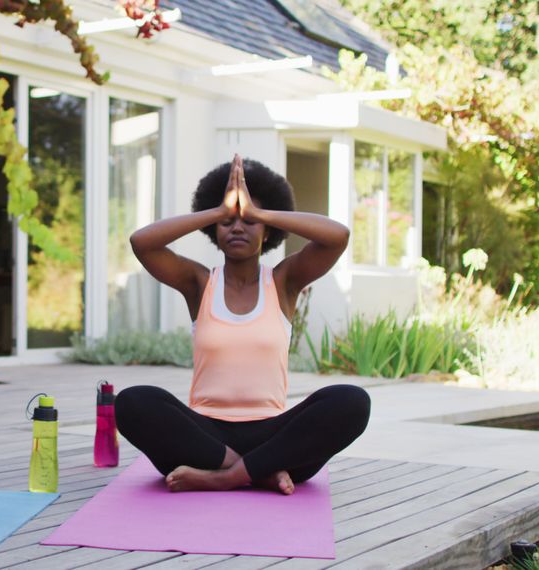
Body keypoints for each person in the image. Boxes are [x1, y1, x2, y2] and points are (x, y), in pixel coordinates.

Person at [115, 154, 370, 494]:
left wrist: (257, 211)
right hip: (203, 437)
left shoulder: (284, 282)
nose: (237, 227)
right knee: (132, 402)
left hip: (275, 434)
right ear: (213, 231)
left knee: (352, 401)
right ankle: (260, 471)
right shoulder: (199, 283)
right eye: (227, 222)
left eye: (248, 222)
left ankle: (225, 477)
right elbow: (142, 243)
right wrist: (221, 209)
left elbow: (337, 236)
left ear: (268, 232)